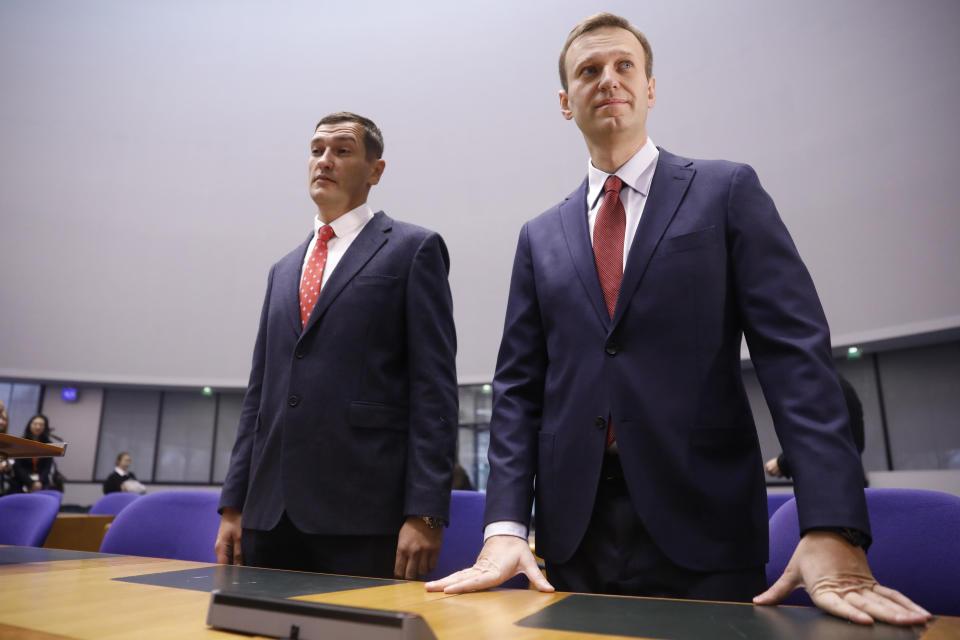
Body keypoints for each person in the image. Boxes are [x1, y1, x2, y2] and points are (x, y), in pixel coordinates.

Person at [427, 13, 929, 627]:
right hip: (571, 538)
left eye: (624, 66)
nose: (608, 79)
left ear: (651, 88)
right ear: (566, 102)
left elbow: (794, 355)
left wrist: (830, 520)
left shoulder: (725, 191)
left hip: (706, 524)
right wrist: (505, 525)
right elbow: (518, 391)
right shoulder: (539, 236)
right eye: (589, 71)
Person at [215, 112, 458, 581]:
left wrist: (426, 511)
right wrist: (234, 503)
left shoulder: (413, 250)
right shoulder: (282, 270)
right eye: (316, 150)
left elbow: (434, 390)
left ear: (375, 171)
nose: (324, 160)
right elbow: (259, 397)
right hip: (267, 517)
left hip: (363, 518)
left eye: (342, 150)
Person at [766, 374, 868, 486]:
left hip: (828, 485)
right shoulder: (838, 383)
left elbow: (817, 439)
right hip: (849, 482)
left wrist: (782, 463)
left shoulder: (820, 387)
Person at [11, 414, 56, 493]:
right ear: (29, 425)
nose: (38, 427)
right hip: (21, 483)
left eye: (41, 425)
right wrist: (30, 483)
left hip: (41, 483)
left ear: (45, 427)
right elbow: (17, 466)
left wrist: (39, 482)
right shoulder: (20, 443)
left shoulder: (48, 444)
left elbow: (47, 467)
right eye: (35, 424)